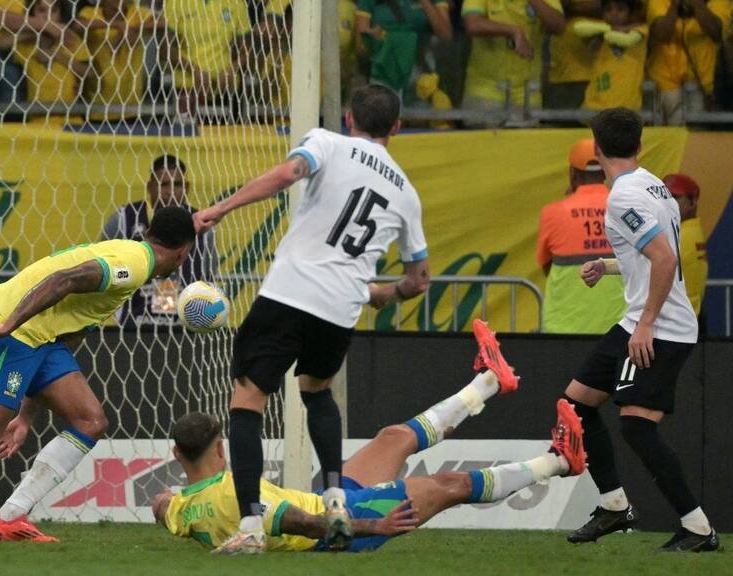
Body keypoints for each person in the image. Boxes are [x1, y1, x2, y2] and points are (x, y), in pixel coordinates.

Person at [192, 84, 431, 554]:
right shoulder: (406, 192)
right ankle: (337, 501)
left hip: (289, 292)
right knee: (316, 392)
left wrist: (220, 208)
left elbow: (288, 173)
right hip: (339, 309)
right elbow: (420, 278)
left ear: (349, 118)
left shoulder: (327, 142)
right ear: (397, 128)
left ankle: (250, 526)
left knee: (247, 402)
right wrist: (385, 294)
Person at [152, 322, 586, 553]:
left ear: (176, 453)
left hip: (327, 498)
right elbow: (297, 523)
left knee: (392, 437)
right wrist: (372, 527)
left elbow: (162, 505)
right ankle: (560, 460)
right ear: (223, 447)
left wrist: (171, 498)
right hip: (345, 530)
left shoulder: (182, 509)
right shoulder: (229, 492)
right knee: (447, 486)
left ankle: (491, 381)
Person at [0, 206, 196, 542]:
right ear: (183, 252)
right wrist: (9, 324)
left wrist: (26, 417)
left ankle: (10, 518)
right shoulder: (133, 266)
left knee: (90, 420)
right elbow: (65, 280)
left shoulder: (132, 257)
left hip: (42, 338)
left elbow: (69, 333)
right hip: (13, 330)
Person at [566, 107, 719, 551]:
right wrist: (609, 265)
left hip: (659, 327)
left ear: (597, 149)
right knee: (575, 405)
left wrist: (646, 324)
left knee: (635, 426)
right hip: (640, 319)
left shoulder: (623, 196)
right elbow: (654, 255)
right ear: (638, 144)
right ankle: (614, 506)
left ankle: (698, 529)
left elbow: (667, 260)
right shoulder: (656, 185)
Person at [101, 155, 219, 326]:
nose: (170, 191)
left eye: (177, 184)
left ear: (187, 187)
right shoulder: (125, 217)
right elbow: (105, 264)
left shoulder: (201, 224)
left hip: (184, 326)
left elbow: (209, 273)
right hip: (129, 324)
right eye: (163, 184)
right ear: (150, 187)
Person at [537, 138, 625, 334]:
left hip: (563, 325)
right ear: (605, 170)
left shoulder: (553, 213)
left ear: (572, 173)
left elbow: (546, 265)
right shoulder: (624, 208)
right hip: (615, 323)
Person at [461, 0, 566, 127]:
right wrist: (513, 31)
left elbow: (559, 25)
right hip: (485, 91)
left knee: (525, 146)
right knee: (482, 145)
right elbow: (472, 24)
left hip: (527, 94)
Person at [646, 0, 731, 125]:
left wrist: (696, 3)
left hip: (701, 86)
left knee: (699, 137)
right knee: (671, 137)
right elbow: (662, 34)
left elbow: (716, 31)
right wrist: (674, 6)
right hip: (665, 84)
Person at [77, 0, 163, 122]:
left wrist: (132, 29)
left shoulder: (137, 13)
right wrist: (116, 25)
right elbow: (77, 25)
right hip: (98, 108)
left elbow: (163, 24)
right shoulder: (90, 13)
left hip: (131, 109)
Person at [354, 0, 452, 105]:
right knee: (386, 117)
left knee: (420, 118)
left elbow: (446, 35)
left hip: (422, 75)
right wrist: (378, 38)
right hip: (385, 71)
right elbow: (361, 45)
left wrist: (425, 3)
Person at [14, 0, 90, 125]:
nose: (47, 16)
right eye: (41, 10)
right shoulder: (25, 45)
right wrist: (29, 32)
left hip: (71, 121)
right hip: (36, 122)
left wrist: (57, 56)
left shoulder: (71, 40)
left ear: (61, 15)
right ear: (31, 14)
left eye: (53, 11)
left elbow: (90, 73)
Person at [575, 0, 648, 111]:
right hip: (595, 103)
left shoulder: (641, 30)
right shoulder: (600, 33)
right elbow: (578, 28)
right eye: (608, 10)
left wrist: (610, 32)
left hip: (627, 104)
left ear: (631, 13)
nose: (614, 14)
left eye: (621, 9)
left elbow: (626, 40)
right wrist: (608, 29)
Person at [663, 173, 707, 317]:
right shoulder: (692, 231)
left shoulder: (680, 236)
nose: (667, 203)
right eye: (663, 197)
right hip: (689, 316)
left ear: (693, 202)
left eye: (675, 197)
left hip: (677, 322)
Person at [545, 0, 600, 111]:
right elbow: (553, 13)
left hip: (608, 77)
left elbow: (622, 8)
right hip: (563, 77)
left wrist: (571, 8)